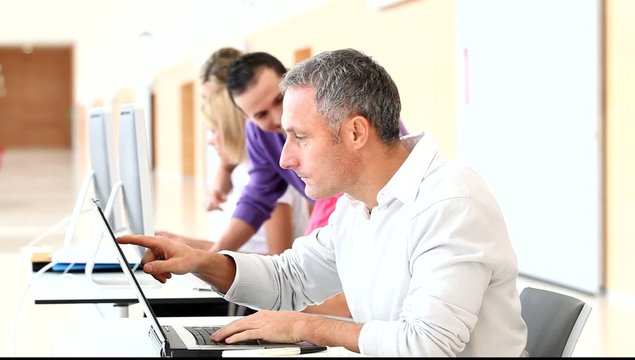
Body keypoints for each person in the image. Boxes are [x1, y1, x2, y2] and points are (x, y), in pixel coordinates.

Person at [119, 48, 527, 356]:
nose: (285, 158)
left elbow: (428, 343)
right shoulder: (358, 203)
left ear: (354, 133)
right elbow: (289, 279)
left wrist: (306, 326)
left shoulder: (450, 203)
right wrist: (199, 260)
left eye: (300, 137)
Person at [155, 47, 309, 255]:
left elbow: (285, 253)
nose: (277, 118)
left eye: (279, 100)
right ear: (245, 117)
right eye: (261, 114)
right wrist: (210, 256)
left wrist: (207, 256)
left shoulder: (313, 109)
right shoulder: (259, 135)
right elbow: (258, 198)